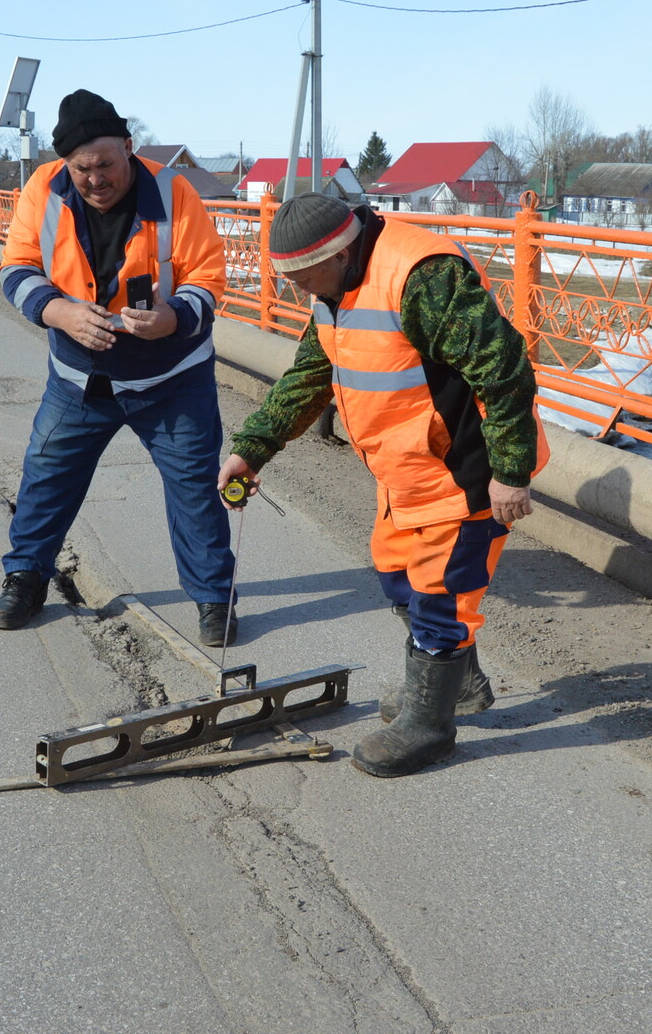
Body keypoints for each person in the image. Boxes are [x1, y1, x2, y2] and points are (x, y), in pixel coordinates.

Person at [218, 193, 545, 777]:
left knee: (441, 598)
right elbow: (312, 374)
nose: (297, 291)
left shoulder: (422, 275)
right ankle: (454, 687)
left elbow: (505, 367)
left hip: (464, 473)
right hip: (406, 474)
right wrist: (253, 446)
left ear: (341, 253)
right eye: (286, 279)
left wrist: (510, 473)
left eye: (303, 276)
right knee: (396, 577)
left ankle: (431, 726)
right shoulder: (331, 290)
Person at [0, 89, 237, 646]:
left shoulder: (176, 192)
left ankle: (212, 599)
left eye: (106, 164)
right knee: (46, 477)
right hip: (80, 378)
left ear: (129, 148)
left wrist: (173, 318)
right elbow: (16, 269)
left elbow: (209, 278)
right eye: (82, 169)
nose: (95, 179)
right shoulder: (44, 188)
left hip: (172, 381)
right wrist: (59, 312)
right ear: (64, 165)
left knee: (195, 489)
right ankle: (25, 577)